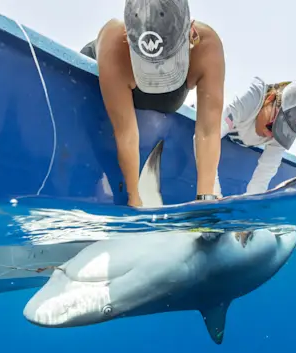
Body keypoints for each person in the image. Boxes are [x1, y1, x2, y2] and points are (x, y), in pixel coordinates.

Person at [79, 0, 226, 207]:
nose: (159, 72)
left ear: (192, 31)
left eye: (167, 63)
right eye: (150, 64)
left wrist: (205, 199)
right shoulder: (114, 41)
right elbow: (126, 134)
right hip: (111, 76)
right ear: (127, 37)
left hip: (168, 93)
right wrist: (134, 199)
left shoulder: (207, 47)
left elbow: (208, 130)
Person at [213, 77, 296, 195]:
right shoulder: (251, 97)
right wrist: (211, 195)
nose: (270, 135)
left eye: (280, 132)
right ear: (270, 98)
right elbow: (207, 135)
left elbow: (264, 174)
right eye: (273, 126)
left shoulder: (282, 134)